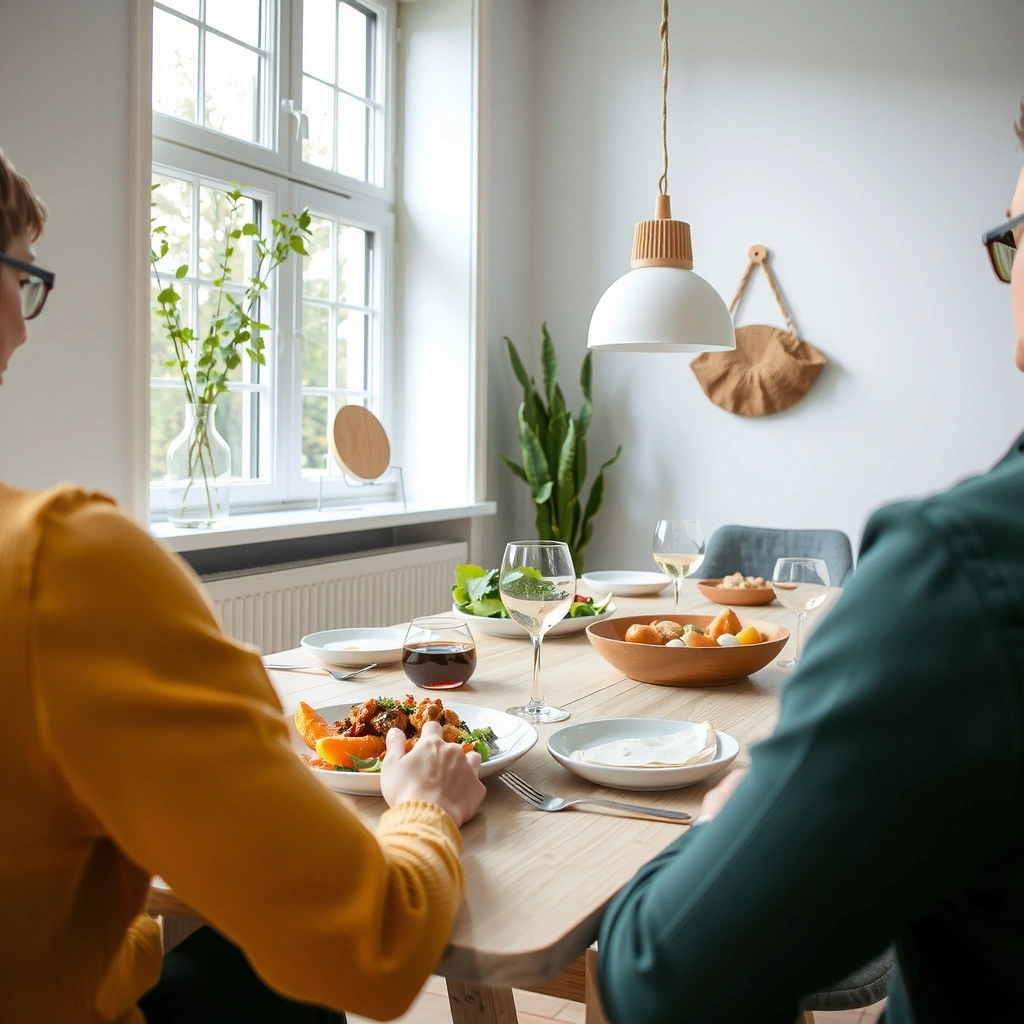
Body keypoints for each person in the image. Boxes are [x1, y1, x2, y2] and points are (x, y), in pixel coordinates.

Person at [0, 147, 487, 1023]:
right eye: (22, 275)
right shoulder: (61, 565)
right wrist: (424, 808)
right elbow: (372, 946)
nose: (25, 325)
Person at [596, 107, 1024, 1024]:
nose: (1007, 270)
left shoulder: (961, 570)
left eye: (1011, 238)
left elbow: (655, 977)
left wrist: (720, 818)